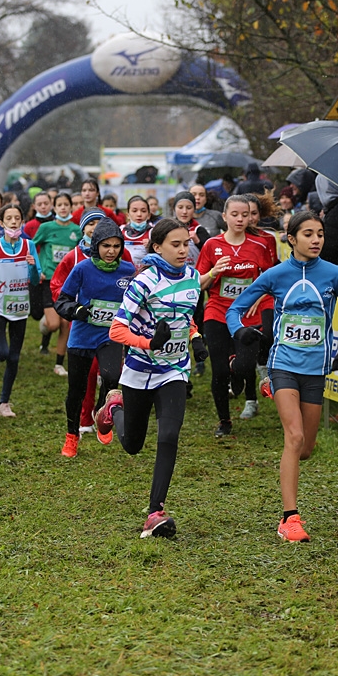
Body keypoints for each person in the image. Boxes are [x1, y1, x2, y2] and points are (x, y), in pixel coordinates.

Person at [228, 210, 338, 543]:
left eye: (320, 233)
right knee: (293, 438)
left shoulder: (333, 274)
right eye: (308, 234)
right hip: (283, 364)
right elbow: (235, 308)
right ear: (292, 239)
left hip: (316, 370)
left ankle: (270, 390)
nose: (316, 239)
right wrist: (240, 332)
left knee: (305, 447)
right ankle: (289, 518)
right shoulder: (277, 275)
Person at [106, 219, 208, 538]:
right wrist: (150, 342)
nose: (183, 250)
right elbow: (117, 329)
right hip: (139, 371)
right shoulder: (144, 282)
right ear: (157, 247)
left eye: (186, 243)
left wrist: (195, 336)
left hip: (174, 370)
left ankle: (155, 512)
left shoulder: (193, 278)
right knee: (133, 444)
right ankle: (113, 410)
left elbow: (183, 315)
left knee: (169, 435)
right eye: (175, 244)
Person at [55, 218, 136, 457]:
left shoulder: (128, 271)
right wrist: (77, 311)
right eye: (106, 246)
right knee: (76, 391)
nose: (111, 251)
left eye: (116, 246)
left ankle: (103, 416)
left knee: (112, 378)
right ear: (96, 246)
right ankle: (72, 435)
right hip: (82, 337)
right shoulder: (82, 268)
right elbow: (62, 301)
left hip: (110, 335)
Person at [197, 196, 277, 435]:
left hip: (246, 316)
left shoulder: (260, 245)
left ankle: (238, 371)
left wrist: (259, 298)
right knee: (219, 372)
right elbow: (198, 285)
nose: (240, 219)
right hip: (217, 313)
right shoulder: (212, 245)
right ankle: (224, 421)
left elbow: (272, 280)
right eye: (235, 214)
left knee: (244, 366)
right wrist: (213, 271)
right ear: (224, 217)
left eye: (245, 214)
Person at [0, 202, 41, 417]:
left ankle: (4, 402)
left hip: (20, 307)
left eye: (17, 218)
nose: (14, 222)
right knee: (3, 353)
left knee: (14, 358)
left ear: (22, 221)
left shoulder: (28, 246)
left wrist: (33, 267)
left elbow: (35, 280)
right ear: (1, 222)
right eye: (9, 219)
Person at [31, 193, 79, 368]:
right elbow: (31, 247)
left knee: (66, 324)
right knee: (53, 325)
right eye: (60, 205)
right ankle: (45, 325)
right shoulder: (46, 227)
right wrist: (38, 269)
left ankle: (59, 364)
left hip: (69, 283)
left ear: (71, 207)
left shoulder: (76, 231)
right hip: (50, 281)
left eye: (67, 204)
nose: (64, 208)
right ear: (54, 207)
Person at [122, 196, 152, 266]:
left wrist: (152, 248)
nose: (139, 214)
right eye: (134, 211)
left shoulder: (153, 233)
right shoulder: (120, 231)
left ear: (148, 215)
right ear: (128, 215)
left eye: (143, 211)